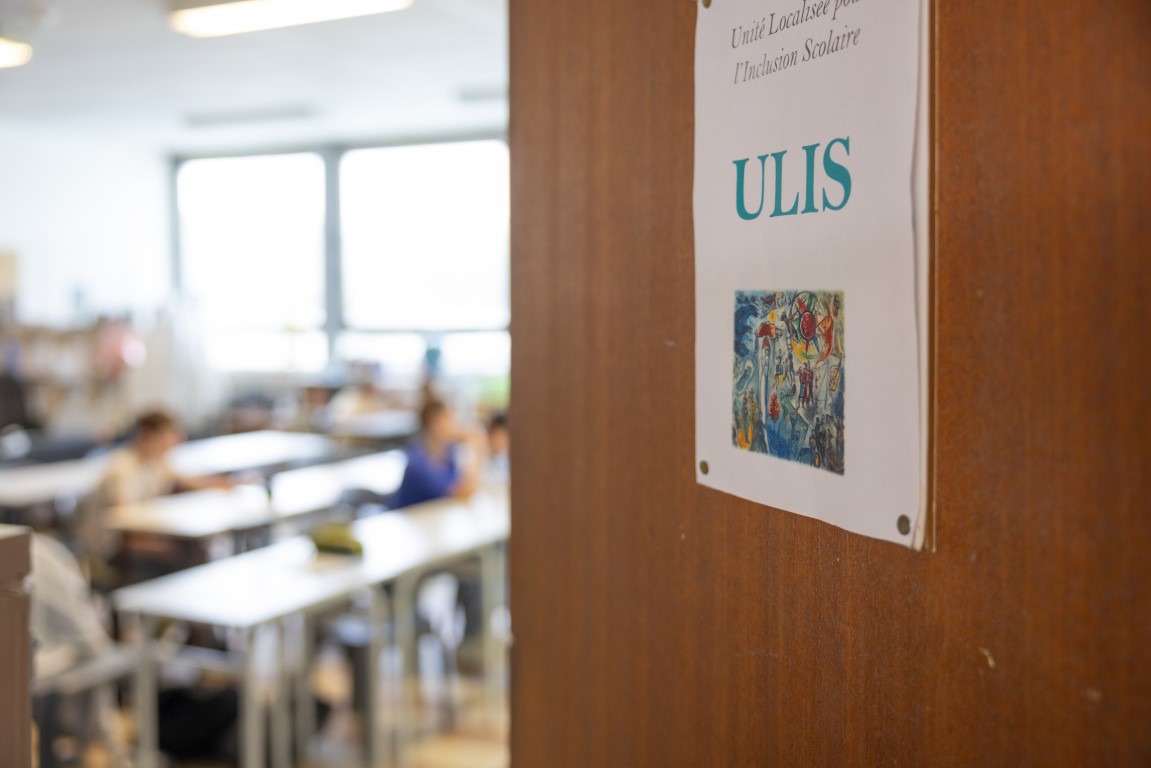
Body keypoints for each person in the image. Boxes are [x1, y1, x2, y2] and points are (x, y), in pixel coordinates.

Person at [394, 400, 482, 509]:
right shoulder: (418, 463)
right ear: (436, 422)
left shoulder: (448, 453)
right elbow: (461, 494)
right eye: (451, 419)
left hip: (434, 515)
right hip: (410, 517)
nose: (457, 425)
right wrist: (475, 448)